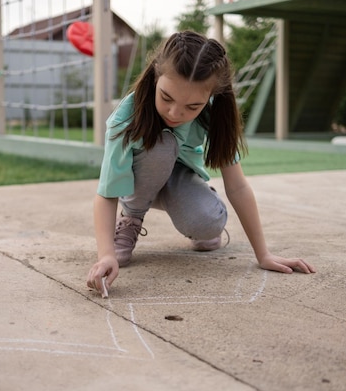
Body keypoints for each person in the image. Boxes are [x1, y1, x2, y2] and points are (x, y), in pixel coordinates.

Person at [87, 31, 315, 297]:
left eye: (192, 106)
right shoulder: (126, 118)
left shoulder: (216, 111)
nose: (175, 113)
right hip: (140, 177)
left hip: (180, 176)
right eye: (167, 98)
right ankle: (132, 218)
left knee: (207, 224)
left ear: (209, 98)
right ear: (155, 76)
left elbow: (238, 185)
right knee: (161, 146)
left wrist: (263, 254)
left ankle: (202, 199)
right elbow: (106, 193)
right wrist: (105, 255)